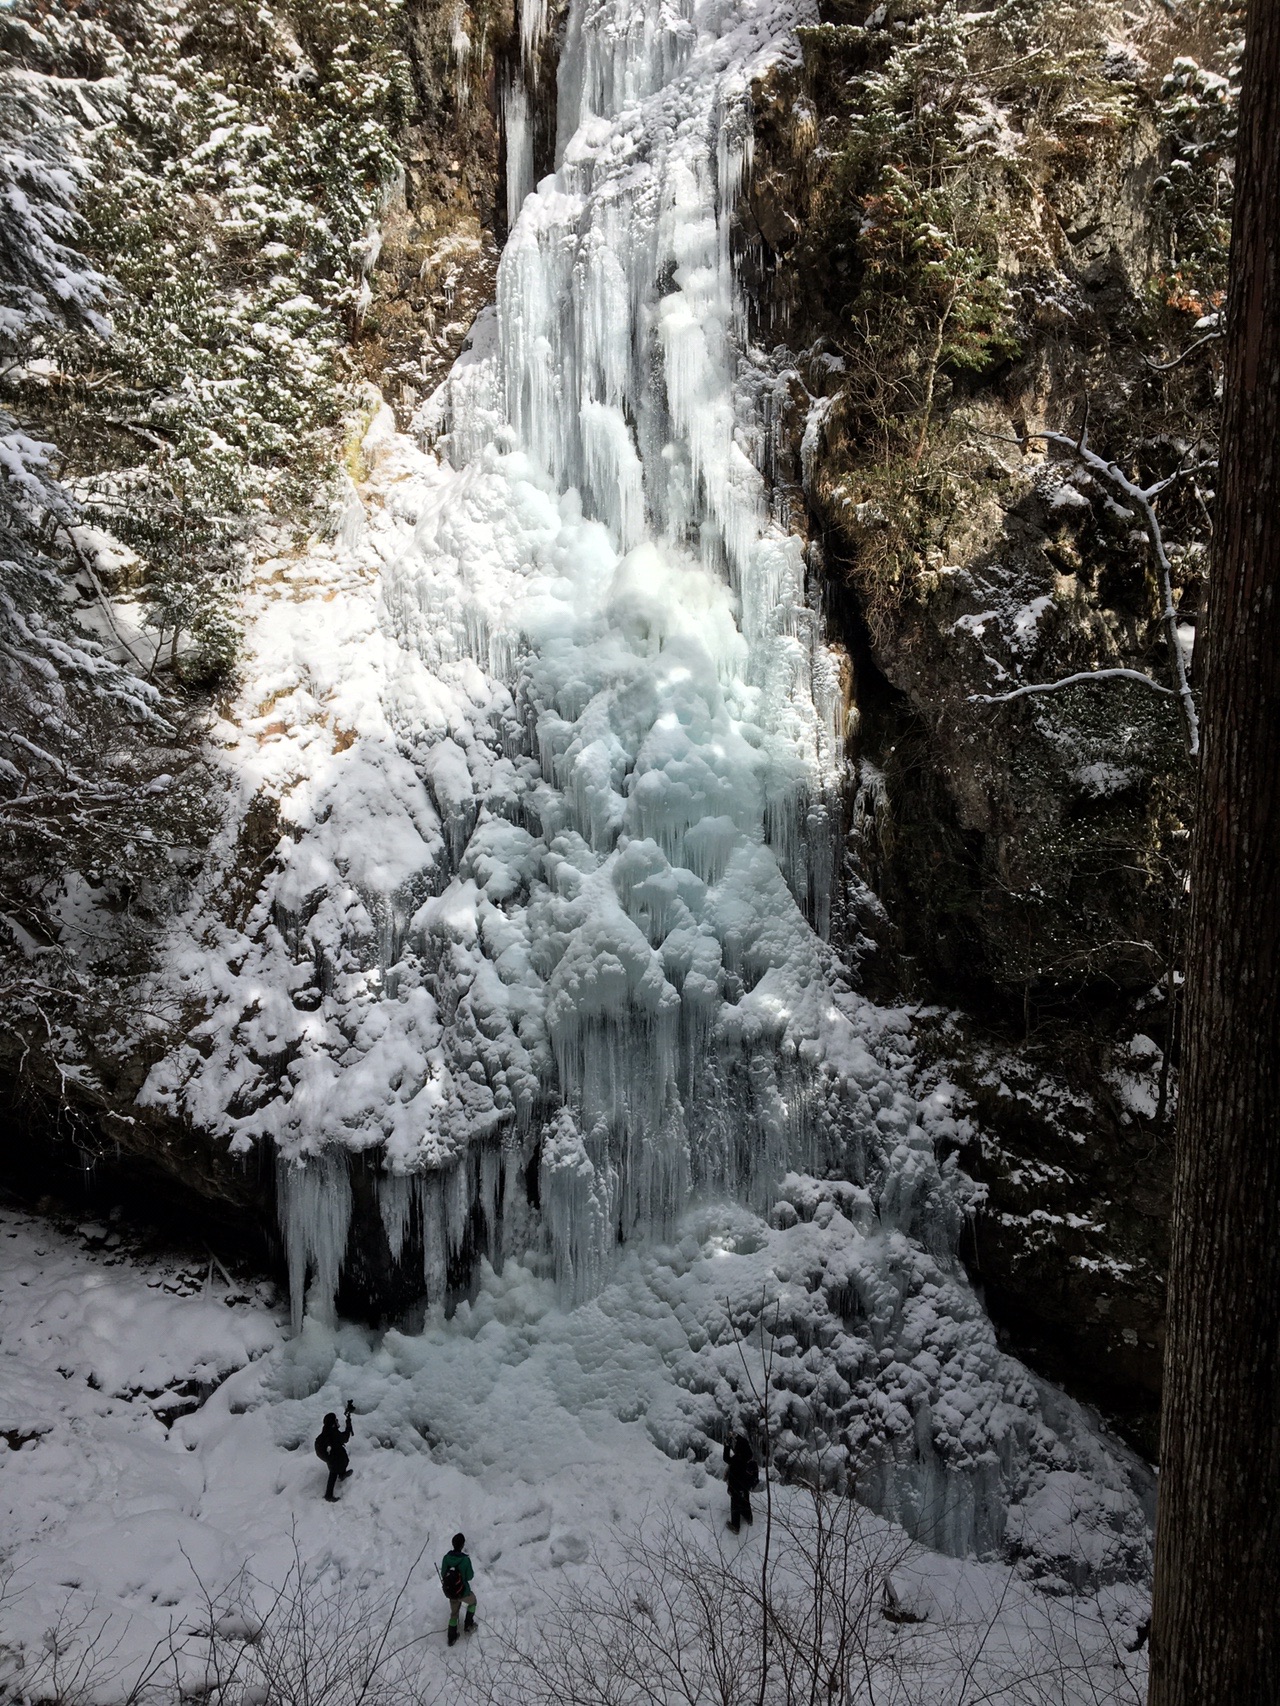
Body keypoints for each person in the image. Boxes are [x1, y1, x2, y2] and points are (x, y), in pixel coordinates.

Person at [440, 1532, 477, 1646]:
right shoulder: (465, 1560)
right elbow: (470, 1576)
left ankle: (451, 1637)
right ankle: (468, 1625)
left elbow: (443, 1573)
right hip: (463, 1592)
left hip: (451, 1592)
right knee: (473, 1602)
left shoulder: (446, 1558)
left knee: (454, 1613)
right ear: (462, 1545)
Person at [314, 1400, 355, 1502]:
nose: (337, 1422)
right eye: (335, 1420)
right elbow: (345, 1438)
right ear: (332, 1423)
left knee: (342, 1460)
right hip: (333, 1457)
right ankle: (328, 1495)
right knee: (334, 1472)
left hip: (330, 1456)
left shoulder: (327, 1430)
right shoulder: (333, 1433)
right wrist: (348, 1425)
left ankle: (341, 1474)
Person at [724, 1434, 759, 1533]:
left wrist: (726, 1446)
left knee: (735, 1504)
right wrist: (737, 1436)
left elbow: (726, 1458)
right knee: (745, 1500)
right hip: (745, 1487)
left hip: (736, 1487)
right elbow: (744, 1442)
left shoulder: (737, 1459)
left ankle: (735, 1526)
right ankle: (749, 1518)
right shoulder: (748, 1456)